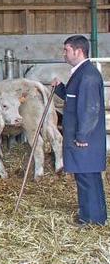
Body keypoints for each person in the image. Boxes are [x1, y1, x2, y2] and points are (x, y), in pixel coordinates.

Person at [52, 35, 107, 226]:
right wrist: (60, 89)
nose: (64, 54)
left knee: (87, 178)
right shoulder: (81, 73)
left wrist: (82, 136)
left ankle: (91, 219)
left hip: (86, 139)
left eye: (66, 50)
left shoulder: (88, 75)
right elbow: (75, 99)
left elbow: (90, 108)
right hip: (83, 137)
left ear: (78, 51)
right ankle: (95, 216)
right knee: (87, 177)